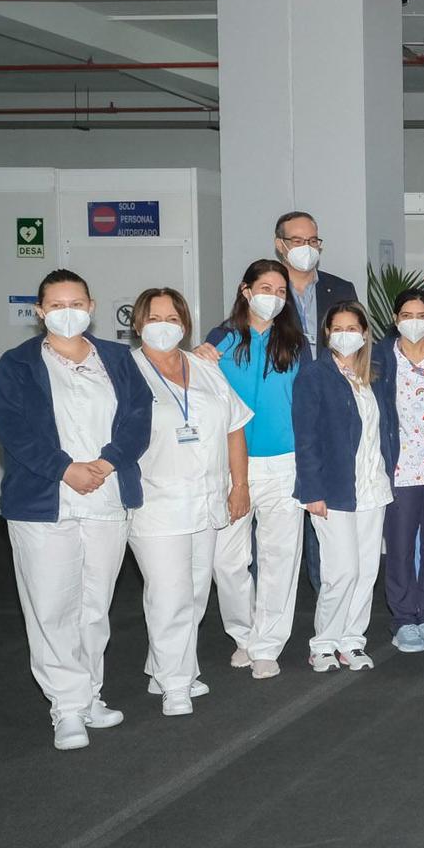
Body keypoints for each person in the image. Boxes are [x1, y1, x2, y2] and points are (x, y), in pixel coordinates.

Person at [0, 270, 151, 750]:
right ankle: (66, 707)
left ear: (92, 305)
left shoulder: (119, 359)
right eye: (55, 304)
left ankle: (90, 694)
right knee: (52, 607)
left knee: (94, 606)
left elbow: (139, 417)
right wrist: (64, 469)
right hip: (44, 502)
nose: (66, 311)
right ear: (40, 312)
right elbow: (13, 429)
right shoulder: (16, 365)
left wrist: (105, 463)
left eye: (75, 302)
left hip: (106, 494)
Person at [127, 287, 251, 716]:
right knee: (170, 593)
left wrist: (240, 486)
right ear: (138, 323)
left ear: (185, 325)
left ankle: (163, 666)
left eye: (173, 318)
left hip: (208, 497)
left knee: (195, 593)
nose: (164, 326)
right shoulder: (126, 371)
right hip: (155, 501)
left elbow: (235, 426)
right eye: (155, 317)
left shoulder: (203, 367)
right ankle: (176, 684)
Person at [207, 260, 309, 680]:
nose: (274, 296)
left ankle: (268, 643)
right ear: (246, 290)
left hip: (284, 462)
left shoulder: (295, 344)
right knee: (227, 560)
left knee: (279, 557)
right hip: (230, 464)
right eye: (265, 287)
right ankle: (243, 634)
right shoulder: (221, 342)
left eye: (281, 291)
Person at [292, 302, 395, 672]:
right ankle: (323, 643)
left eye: (354, 327)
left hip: (372, 487)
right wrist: (311, 490)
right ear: (327, 333)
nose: (347, 334)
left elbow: (383, 431)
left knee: (367, 570)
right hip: (333, 490)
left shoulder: (373, 375)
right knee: (342, 570)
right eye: (339, 327)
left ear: (366, 333)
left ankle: (352, 641)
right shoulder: (313, 376)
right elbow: (306, 438)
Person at [380, 289, 424, 655]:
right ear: (395, 320)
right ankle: (405, 618)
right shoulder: (380, 357)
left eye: (421, 315)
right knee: (400, 547)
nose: (414, 321)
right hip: (399, 467)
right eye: (406, 314)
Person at [274, 211, 359, 362]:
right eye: (297, 241)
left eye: (312, 241)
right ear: (280, 245)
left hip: (330, 379)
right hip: (284, 379)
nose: (306, 248)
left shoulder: (342, 290)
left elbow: (358, 335)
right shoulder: (268, 291)